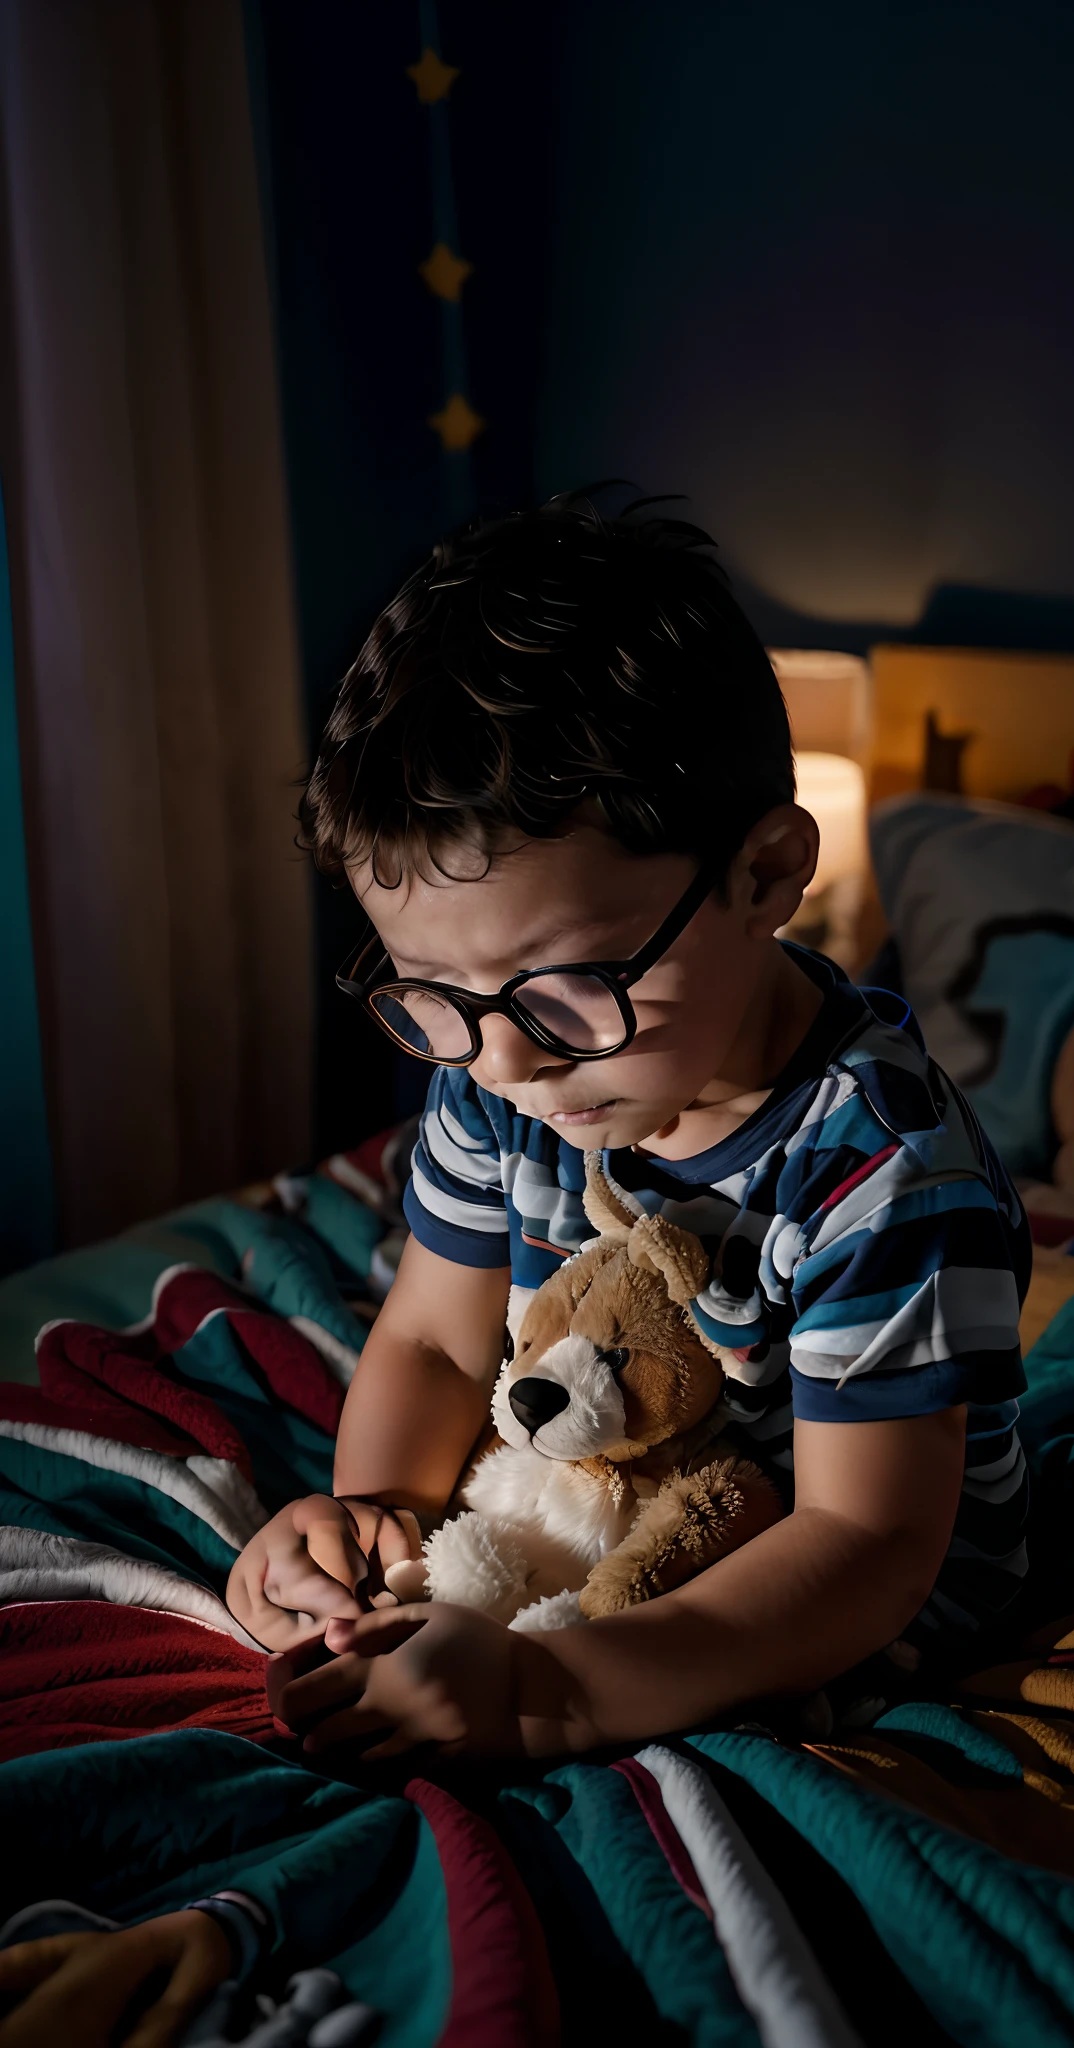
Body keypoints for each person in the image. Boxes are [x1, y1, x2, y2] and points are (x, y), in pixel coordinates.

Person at [226, 495, 1030, 1761]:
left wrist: (549, 1694)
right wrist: (369, 1515)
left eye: (565, 986)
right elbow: (438, 1343)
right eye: (434, 998)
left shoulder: (880, 1167)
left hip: (821, 1606)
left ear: (766, 876)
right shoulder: (496, 1066)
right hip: (585, 1522)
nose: (509, 1059)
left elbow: (863, 1547)